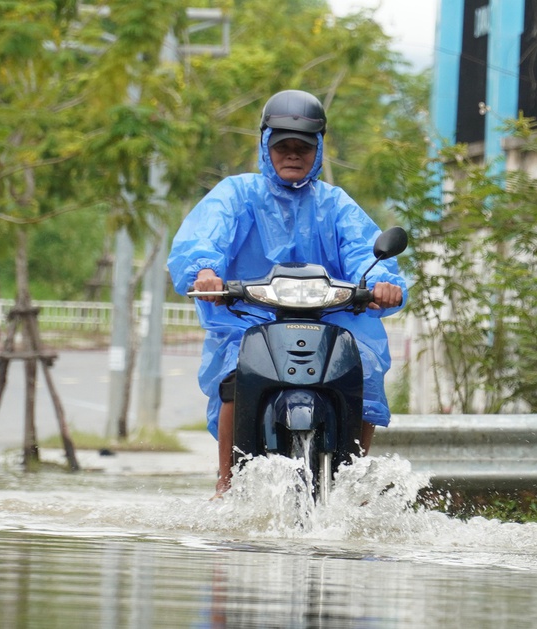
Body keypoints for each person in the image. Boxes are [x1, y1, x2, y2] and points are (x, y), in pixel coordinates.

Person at [167, 89, 407, 496]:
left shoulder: (335, 203)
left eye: (303, 147)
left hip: (331, 317)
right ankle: (225, 483)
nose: (292, 155)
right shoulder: (237, 195)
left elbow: (363, 248)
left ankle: (353, 486)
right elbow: (203, 238)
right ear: (266, 147)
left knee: (362, 369)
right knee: (234, 375)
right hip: (249, 316)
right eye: (283, 147)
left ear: (319, 150)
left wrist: (384, 283)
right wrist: (205, 271)